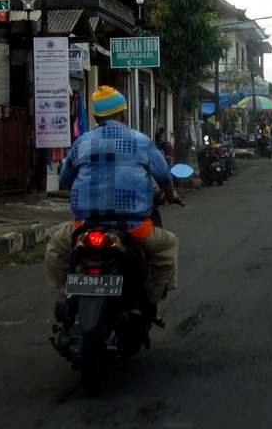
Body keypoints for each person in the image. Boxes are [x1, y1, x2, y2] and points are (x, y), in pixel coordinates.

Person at [46, 86, 180, 321]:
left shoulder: (82, 143)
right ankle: (150, 304)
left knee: (55, 251)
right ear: (123, 115)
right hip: (132, 228)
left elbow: (65, 178)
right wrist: (170, 195)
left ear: (96, 118)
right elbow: (165, 178)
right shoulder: (141, 142)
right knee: (168, 248)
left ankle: (66, 298)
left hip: (85, 227)